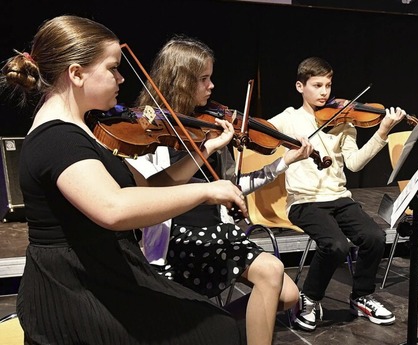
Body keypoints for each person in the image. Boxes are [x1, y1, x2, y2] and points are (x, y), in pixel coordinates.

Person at [1, 15, 247, 344]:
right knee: (216, 330)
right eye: (113, 68)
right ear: (76, 73)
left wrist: (203, 151)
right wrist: (205, 191)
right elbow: (113, 208)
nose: (121, 78)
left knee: (217, 326)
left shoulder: (82, 132)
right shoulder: (57, 139)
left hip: (100, 273)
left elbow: (152, 188)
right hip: (74, 290)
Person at [125, 36, 314, 345]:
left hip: (216, 231)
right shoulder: (149, 130)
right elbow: (154, 189)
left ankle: (213, 326)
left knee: (289, 295)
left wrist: (284, 162)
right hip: (176, 240)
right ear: (182, 81)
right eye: (203, 79)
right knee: (272, 270)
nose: (212, 86)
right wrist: (204, 149)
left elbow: (231, 186)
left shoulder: (210, 125)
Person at [267, 57, 405, 331]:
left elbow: (354, 163)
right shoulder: (288, 119)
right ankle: (309, 298)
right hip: (304, 202)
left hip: (339, 198)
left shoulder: (344, 122)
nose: (324, 92)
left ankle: (362, 296)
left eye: (328, 85)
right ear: (300, 86)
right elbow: (261, 137)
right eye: (317, 85)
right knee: (336, 245)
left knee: (375, 236)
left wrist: (383, 131)